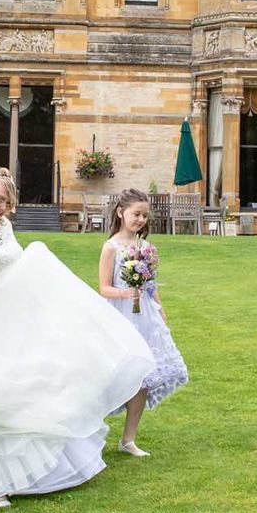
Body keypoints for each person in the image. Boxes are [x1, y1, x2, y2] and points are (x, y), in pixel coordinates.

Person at [0, 166, 153, 509]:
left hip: (12, 319)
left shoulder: (3, 226)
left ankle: (28, 472)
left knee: (33, 385)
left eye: (8, 202)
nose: (4, 207)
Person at [98, 188, 189, 455]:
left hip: (145, 316)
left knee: (145, 378)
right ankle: (89, 432)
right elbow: (104, 288)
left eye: (144, 216)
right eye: (136, 214)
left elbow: (151, 284)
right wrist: (127, 292)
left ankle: (128, 439)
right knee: (113, 375)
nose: (140, 220)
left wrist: (159, 308)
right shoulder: (111, 247)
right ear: (120, 212)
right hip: (120, 314)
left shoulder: (146, 247)